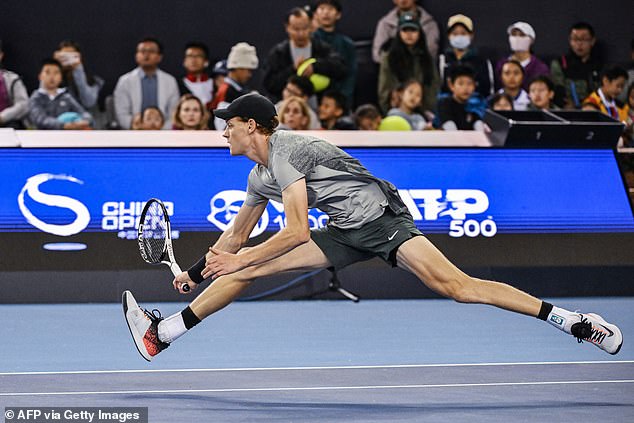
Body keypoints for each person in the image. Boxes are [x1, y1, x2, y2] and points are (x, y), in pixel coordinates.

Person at [122, 93, 623, 362]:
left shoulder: (287, 149)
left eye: (227, 122)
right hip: (341, 230)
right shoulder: (258, 176)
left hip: (382, 220)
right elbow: (234, 237)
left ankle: (573, 321)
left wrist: (242, 258)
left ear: (251, 126)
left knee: (460, 288)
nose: (222, 129)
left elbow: (295, 231)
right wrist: (196, 270)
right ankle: (161, 335)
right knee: (240, 270)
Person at [262, 7, 347, 103]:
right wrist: (293, 69)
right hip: (286, 109)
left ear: (311, 26)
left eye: (305, 28)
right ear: (287, 28)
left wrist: (315, 67)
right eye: (296, 29)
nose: (301, 33)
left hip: (318, 107)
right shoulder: (279, 53)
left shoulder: (322, 48)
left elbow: (341, 68)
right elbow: (270, 84)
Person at [378, 11, 439, 114]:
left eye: (413, 30)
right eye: (405, 30)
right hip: (396, 111)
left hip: (423, 112)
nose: (409, 34)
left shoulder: (426, 58)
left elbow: (433, 86)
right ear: (399, 32)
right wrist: (389, 110)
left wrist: (426, 110)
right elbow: (384, 87)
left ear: (420, 33)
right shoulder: (389, 58)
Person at [113, 37, 180, 129]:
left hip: (164, 133)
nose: (146, 55)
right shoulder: (125, 81)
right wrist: (137, 128)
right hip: (133, 133)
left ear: (159, 57)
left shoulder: (170, 81)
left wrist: (160, 130)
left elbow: (174, 113)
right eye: (142, 51)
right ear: (136, 56)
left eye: (151, 51)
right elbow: (121, 114)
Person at [312, 0, 357, 108]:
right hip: (313, 99)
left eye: (330, 9)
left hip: (340, 102)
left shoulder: (347, 44)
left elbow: (350, 75)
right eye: (322, 9)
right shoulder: (308, 41)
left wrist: (341, 101)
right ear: (315, 14)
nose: (326, 13)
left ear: (338, 15)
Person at [438, 14, 494, 99]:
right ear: (448, 36)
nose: (459, 36)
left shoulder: (482, 61)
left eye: (463, 33)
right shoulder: (441, 60)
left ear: (471, 35)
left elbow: (488, 91)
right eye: (455, 33)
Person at [28, 58, 93, 130]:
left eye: (56, 73)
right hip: (43, 137)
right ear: (40, 76)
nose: (52, 77)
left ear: (61, 77)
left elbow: (83, 113)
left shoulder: (66, 97)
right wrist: (63, 125)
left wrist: (85, 121)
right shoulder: (35, 98)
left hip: (66, 136)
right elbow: (40, 120)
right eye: (47, 72)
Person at [550, 22, 603, 109]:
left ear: (592, 41)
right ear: (570, 41)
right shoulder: (561, 63)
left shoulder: (599, 66)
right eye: (575, 39)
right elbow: (558, 91)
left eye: (584, 39)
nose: (579, 44)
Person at [372, 0, 439, 63]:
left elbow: (431, 55)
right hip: (393, 71)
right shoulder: (385, 24)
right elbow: (377, 55)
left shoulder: (428, 24)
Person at [212, 42, 259, 130]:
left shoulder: (239, 90)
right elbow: (221, 123)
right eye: (248, 70)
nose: (249, 75)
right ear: (238, 68)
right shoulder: (226, 90)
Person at [495, 22, 549, 92]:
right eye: (514, 34)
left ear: (531, 40)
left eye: (522, 35)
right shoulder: (501, 64)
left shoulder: (540, 68)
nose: (517, 38)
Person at [53, 40, 104, 112]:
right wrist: (54, 67)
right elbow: (44, 100)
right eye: (64, 56)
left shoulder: (94, 81)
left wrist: (78, 68)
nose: (68, 59)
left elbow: (89, 102)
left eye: (71, 56)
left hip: (85, 120)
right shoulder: (53, 81)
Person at [436, 65, 484, 130]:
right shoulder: (444, 103)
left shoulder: (474, 106)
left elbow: (479, 125)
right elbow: (449, 127)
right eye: (461, 84)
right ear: (451, 85)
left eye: (469, 83)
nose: (465, 88)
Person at [0, 39, 29, 129]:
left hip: (7, 123)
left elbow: (23, 104)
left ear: (1, 55)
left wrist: (2, 117)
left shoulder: (13, 79)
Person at [177, 42, 213, 112]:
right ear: (184, 62)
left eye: (198, 56)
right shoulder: (176, 84)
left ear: (206, 62)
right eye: (190, 56)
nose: (193, 60)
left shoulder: (216, 84)